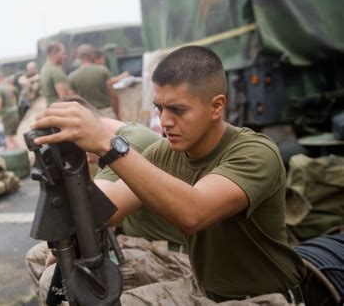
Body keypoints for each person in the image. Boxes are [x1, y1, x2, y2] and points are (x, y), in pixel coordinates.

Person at [31, 45, 307, 304]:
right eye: (159, 108)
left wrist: (107, 143)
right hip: (202, 289)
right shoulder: (165, 152)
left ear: (216, 106)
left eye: (177, 109)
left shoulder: (255, 152)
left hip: (263, 297)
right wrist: (69, 162)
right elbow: (108, 210)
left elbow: (194, 213)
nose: (164, 121)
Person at [26, 96, 192, 303]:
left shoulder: (131, 142)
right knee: (36, 256)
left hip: (170, 255)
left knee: (58, 280)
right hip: (137, 243)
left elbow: (93, 214)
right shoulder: (122, 137)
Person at [68, 44, 120, 119]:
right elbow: (113, 94)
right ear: (92, 55)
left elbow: (73, 101)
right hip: (106, 112)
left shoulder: (72, 77)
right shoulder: (102, 70)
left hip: (88, 115)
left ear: (78, 56)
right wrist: (117, 114)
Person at [0, 71, 20, 150]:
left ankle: (14, 160)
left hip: (7, 116)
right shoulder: (11, 87)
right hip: (15, 113)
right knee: (12, 138)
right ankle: (20, 152)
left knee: (8, 140)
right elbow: (17, 98)